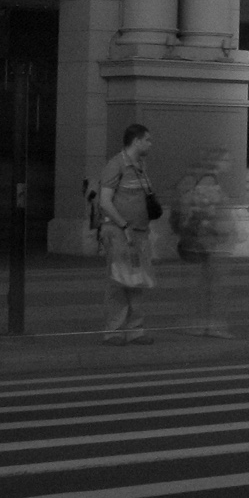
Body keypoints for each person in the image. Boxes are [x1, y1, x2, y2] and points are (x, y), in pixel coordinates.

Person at [97, 123, 157, 344]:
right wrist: (124, 225)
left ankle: (135, 330)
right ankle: (113, 331)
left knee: (137, 281)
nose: (150, 144)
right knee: (118, 281)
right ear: (136, 141)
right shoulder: (116, 165)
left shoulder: (140, 165)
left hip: (138, 232)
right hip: (120, 232)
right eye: (147, 140)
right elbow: (105, 201)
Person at [173, 147, 234, 337]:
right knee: (213, 286)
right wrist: (221, 228)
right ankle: (211, 326)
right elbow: (205, 210)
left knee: (204, 285)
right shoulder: (210, 181)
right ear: (217, 162)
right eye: (226, 160)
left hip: (207, 241)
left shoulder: (206, 180)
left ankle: (200, 325)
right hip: (211, 242)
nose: (229, 164)